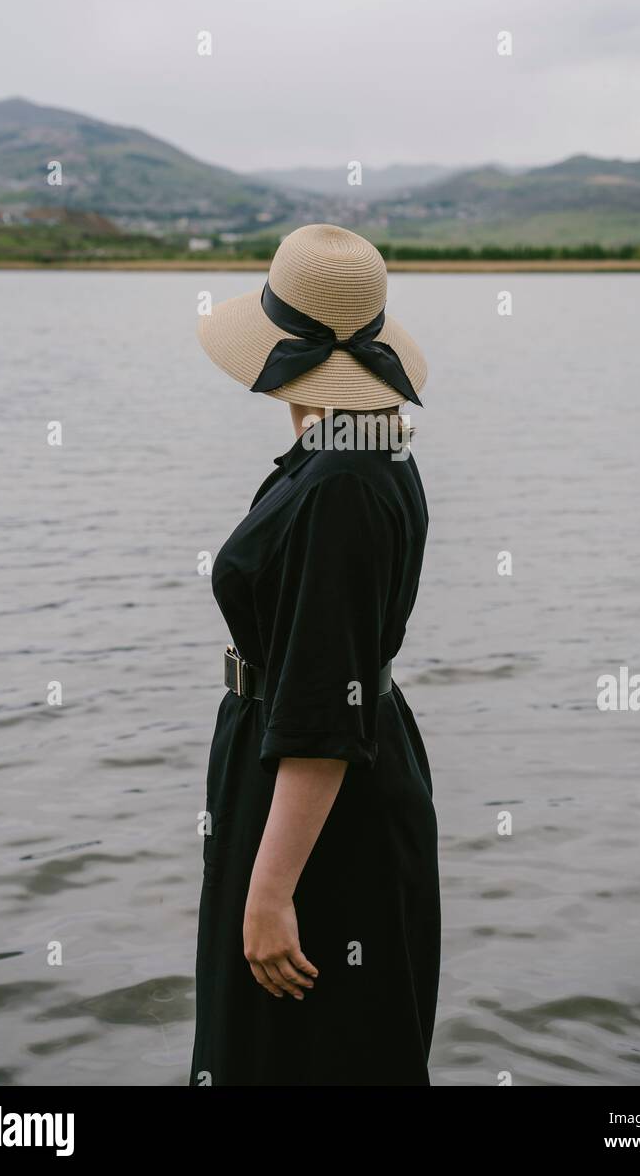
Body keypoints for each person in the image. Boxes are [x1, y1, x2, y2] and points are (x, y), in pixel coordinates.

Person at [189, 223, 440, 1086]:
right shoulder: (358, 447)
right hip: (316, 776)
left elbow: (323, 712)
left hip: (316, 801)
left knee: (297, 1052)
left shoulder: (342, 483)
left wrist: (268, 893)